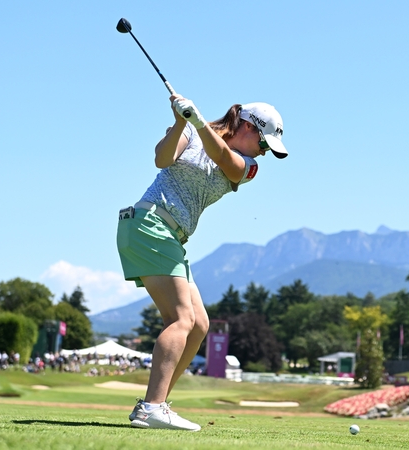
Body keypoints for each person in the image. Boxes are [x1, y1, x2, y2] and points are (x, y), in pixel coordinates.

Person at [117, 95, 288, 431]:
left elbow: (222, 156)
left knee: (198, 326)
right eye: (263, 144)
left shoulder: (247, 167)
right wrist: (180, 122)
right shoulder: (191, 132)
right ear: (247, 127)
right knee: (181, 319)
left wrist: (195, 121)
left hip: (169, 235)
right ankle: (151, 407)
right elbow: (161, 159)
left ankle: (157, 403)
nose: (263, 152)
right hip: (150, 224)